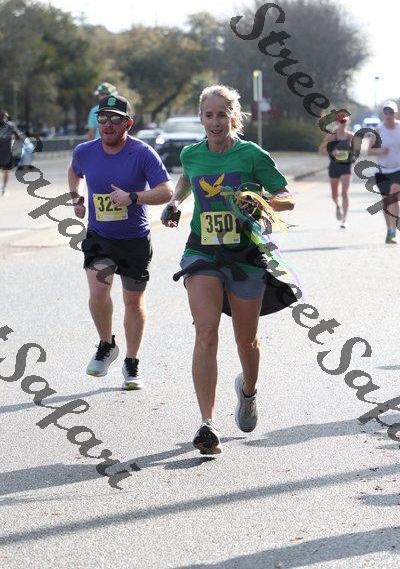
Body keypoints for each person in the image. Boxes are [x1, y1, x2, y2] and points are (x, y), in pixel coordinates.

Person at [161, 85, 295, 455]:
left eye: (222, 114)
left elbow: (287, 198)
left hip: (245, 254)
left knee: (245, 341)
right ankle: (207, 423)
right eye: (209, 115)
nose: (215, 121)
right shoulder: (191, 154)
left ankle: (248, 392)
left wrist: (260, 200)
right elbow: (187, 178)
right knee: (205, 333)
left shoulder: (252, 154)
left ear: (233, 117)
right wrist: (175, 202)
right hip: (202, 252)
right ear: (201, 118)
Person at [68, 94, 173, 389]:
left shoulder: (142, 153)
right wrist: (76, 198)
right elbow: (74, 171)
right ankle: (106, 344)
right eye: (102, 118)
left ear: (128, 123)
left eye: (115, 119)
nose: (108, 124)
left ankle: (131, 360)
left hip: (134, 239)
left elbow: (166, 191)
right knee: (98, 291)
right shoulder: (85, 152)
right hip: (99, 237)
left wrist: (133, 197)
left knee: (133, 301)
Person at [367, 100, 400, 244]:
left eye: (391, 112)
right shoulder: (378, 130)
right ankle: (390, 230)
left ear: (396, 113)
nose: (388, 115)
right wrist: (380, 150)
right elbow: (369, 150)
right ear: (383, 114)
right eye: (386, 112)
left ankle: (395, 227)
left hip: (398, 169)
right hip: (382, 170)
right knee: (386, 201)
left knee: (394, 194)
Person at [318, 111, 353, 228]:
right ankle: (338, 206)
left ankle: (345, 220)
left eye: (345, 121)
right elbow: (321, 151)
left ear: (347, 122)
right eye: (341, 121)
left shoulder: (350, 136)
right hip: (334, 167)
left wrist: (350, 156)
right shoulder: (331, 136)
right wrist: (331, 152)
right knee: (334, 195)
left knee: (344, 192)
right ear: (337, 122)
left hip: (346, 167)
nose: (343, 123)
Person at [0, 110, 23, 195]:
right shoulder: (10, 126)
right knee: (6, 171)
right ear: (5, 117)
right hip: (6, 152)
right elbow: (19, 137)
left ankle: (2, 188)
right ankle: (3, 189)